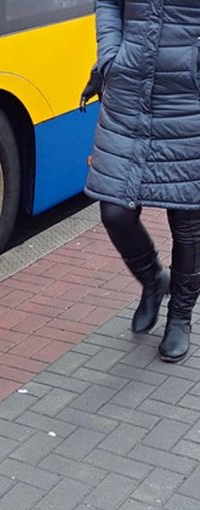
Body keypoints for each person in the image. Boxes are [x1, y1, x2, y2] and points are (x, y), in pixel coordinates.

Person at [82, 0, 200, 363]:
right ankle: (153, 280)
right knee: (115, 211)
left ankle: (180, 317)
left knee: (188, 221)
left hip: (188, 98)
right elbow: (108, 3)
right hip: (129, 93)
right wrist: (110, 57)